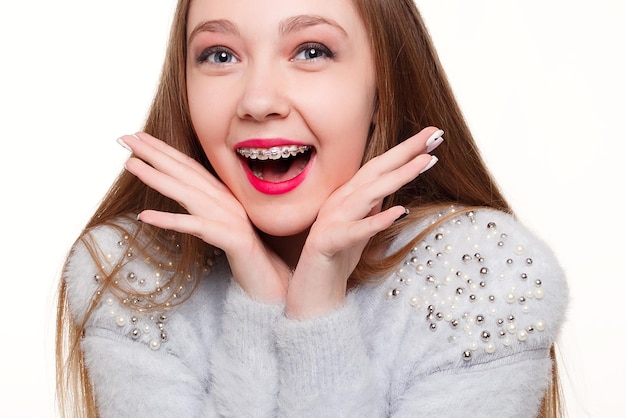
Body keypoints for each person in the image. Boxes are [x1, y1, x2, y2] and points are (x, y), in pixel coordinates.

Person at [56, 0, 568, 416]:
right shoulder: (131, 272)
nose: (257, 101)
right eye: (219, 55)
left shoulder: (483, 270)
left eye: (311, 50)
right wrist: (259, 296)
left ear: (383, 88)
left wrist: (317, 313)